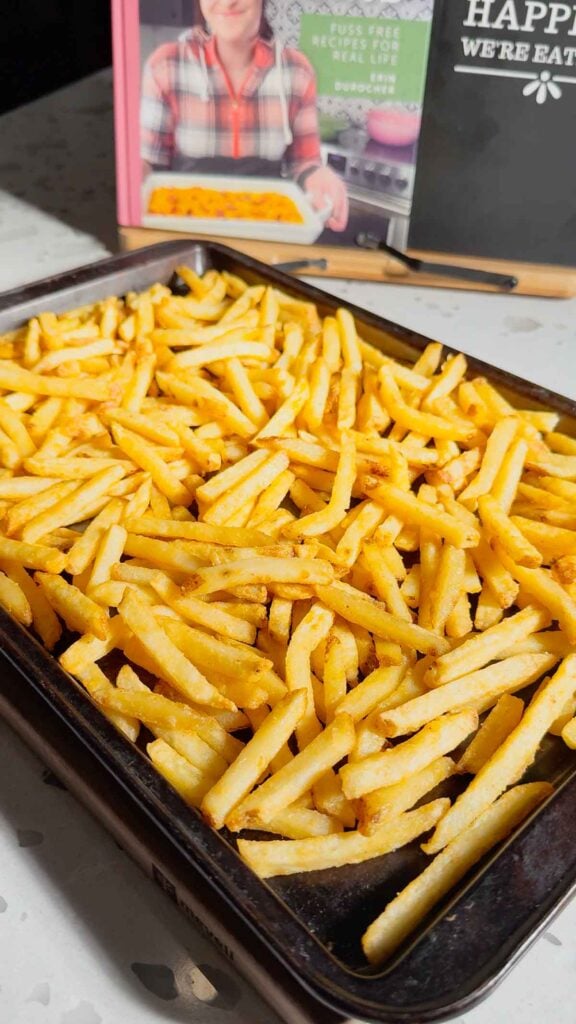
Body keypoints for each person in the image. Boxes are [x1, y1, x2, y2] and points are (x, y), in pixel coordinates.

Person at [141, 0, 348, 231]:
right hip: (185, 234)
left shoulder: (297, 72)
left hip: (266, 235)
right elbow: (150, 164)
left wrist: (318, 177)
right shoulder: (166, 65)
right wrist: (134, 173)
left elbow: (303, 164)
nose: (229, 2)